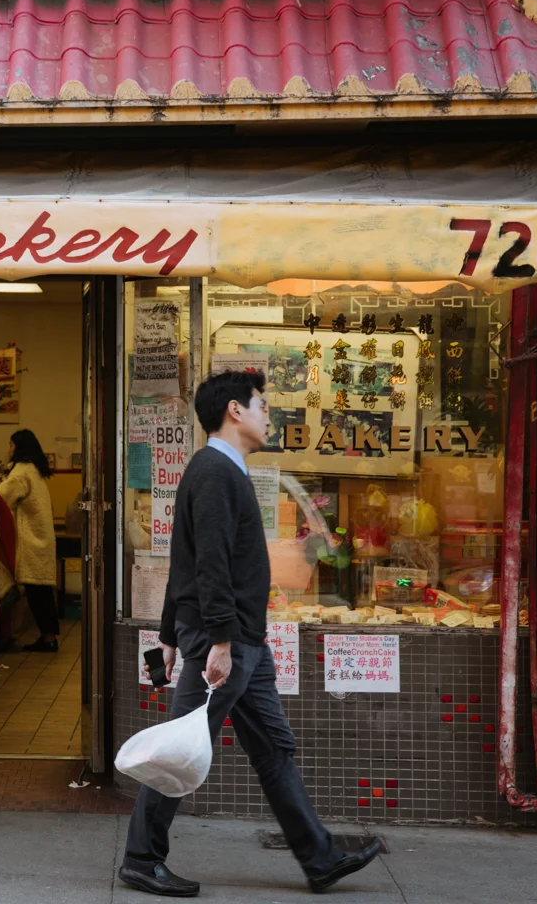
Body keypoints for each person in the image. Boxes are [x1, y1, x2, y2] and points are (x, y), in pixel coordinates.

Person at [119, 370, 384, 898]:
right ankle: (141, 858)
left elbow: (183, 561)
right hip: (229, 639)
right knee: (177, 748)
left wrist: (172, 635)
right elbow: (210, 564)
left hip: (241, 640)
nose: (269, 415)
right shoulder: (216, 471)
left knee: (272, 750)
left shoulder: (219, 469)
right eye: (262, 405)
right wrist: (215, 641)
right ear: (235, 411)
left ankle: (320, 858)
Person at [0, 429, 61, 652]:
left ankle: (48, 638)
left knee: (37, 594)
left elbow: (1, 497)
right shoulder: (35, 469)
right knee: (42, 592)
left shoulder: (21, 471)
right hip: (41, 538)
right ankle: (49, 637)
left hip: (32, 540)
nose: (8, 450)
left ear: (20, 447)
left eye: (11, 445)